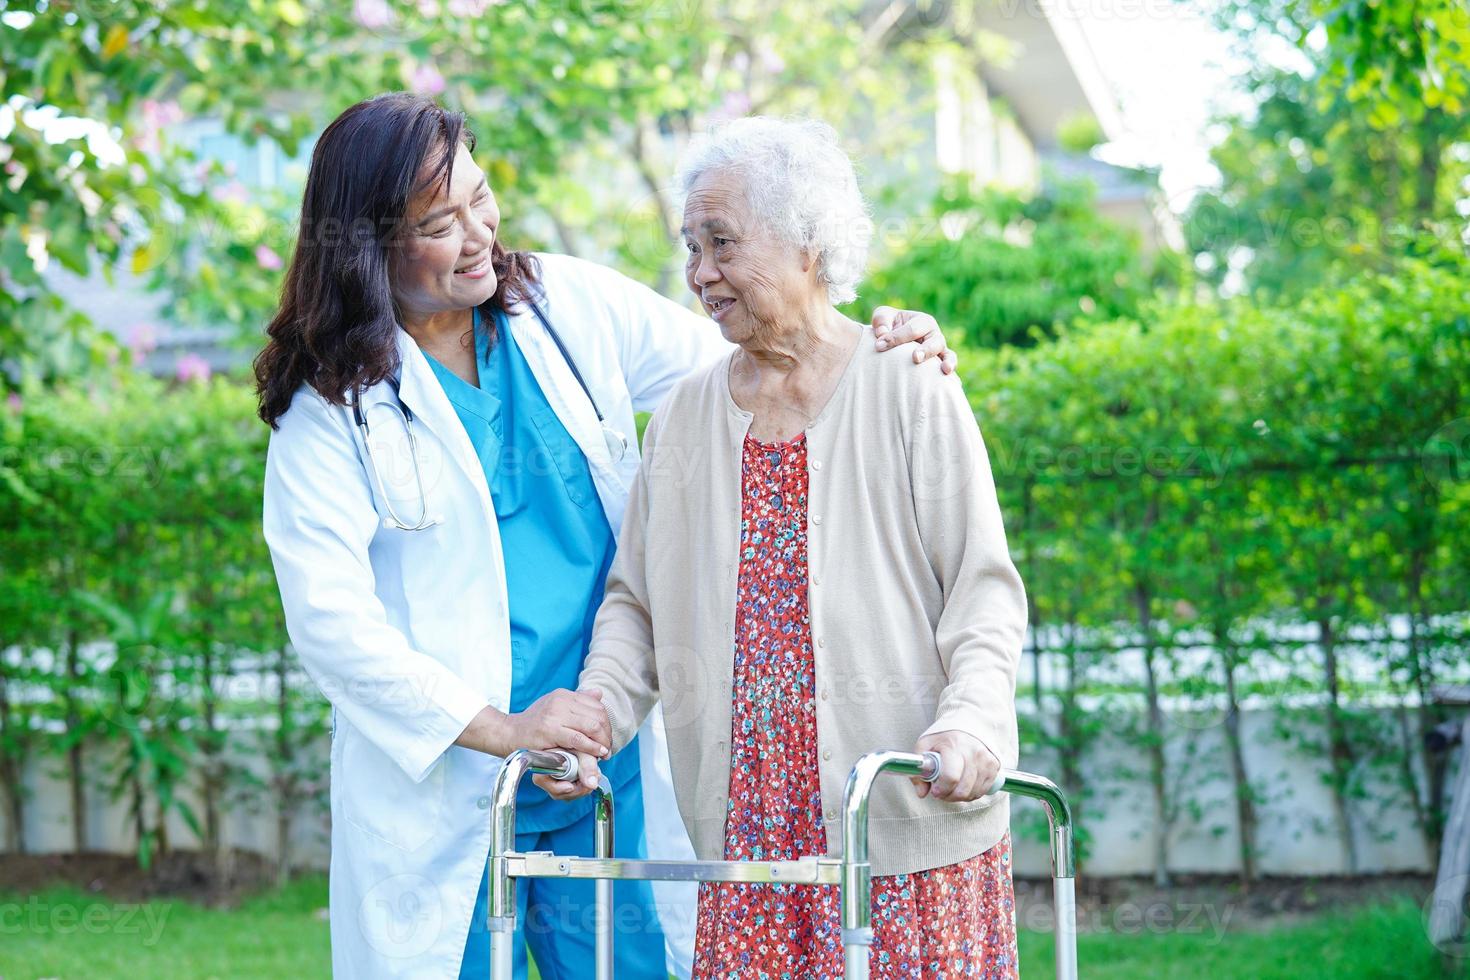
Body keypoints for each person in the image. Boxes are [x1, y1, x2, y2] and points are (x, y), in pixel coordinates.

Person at [255, 93, 959, 980]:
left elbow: (756, 360)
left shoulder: (562, 304)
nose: (478, 233)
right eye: (440, 223)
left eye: (481, 198)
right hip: (451, 777)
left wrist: (878, 343)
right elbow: (331, 625)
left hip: (602, 748)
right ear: (368, 245)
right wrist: (504, 727)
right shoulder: (329, 407)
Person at [538, 116, 1028, 979]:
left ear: (808, 243)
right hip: (747, 851)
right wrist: (597, 716)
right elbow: (635, 606)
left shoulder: (906, 381)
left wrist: (974, 724)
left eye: (721, 242)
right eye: (690, 247)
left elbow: (980, 590)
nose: (699, 274)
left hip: (903, 834)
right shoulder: (685, 416)